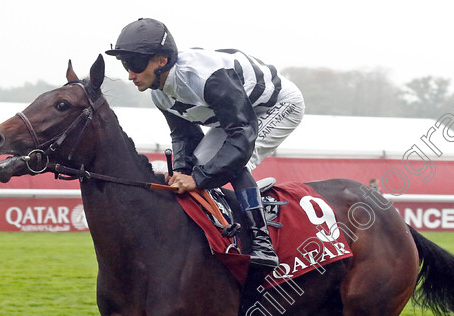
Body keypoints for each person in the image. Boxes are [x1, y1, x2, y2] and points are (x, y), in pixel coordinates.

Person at [106, 18, 305, 270]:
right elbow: (184, 137)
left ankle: (262, 242)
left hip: (277, 105)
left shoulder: (207, 78)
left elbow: (241, 139)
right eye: (125, 64)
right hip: (236, 114)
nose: (129, 74)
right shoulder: (159, 93)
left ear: (161, 60)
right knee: (201, 166)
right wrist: (182, 172)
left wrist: (198, 179)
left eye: (135, 63)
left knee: (232, 162)